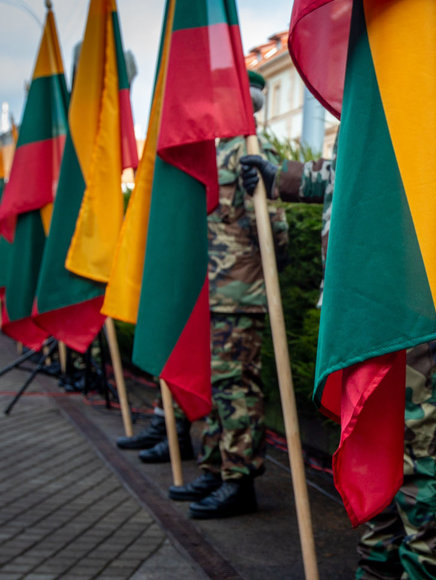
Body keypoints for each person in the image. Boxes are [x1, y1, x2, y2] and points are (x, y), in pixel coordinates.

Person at [240, 7, 436, 577]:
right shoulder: (369, 33)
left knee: (422, 447)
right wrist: (280, 178)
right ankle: (378, 566)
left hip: (418, 284)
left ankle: (416, 570)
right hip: (365, 290)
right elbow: (354, 173)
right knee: (376, 433)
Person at [166, 70, 289, 520]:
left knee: (237, 389)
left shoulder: (253, 149)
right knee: (219, 387)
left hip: (239, 293)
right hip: (213, 293)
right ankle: (216, 468)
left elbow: (275, 227)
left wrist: (259, 272)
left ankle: (238, 482)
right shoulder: (218, 150)